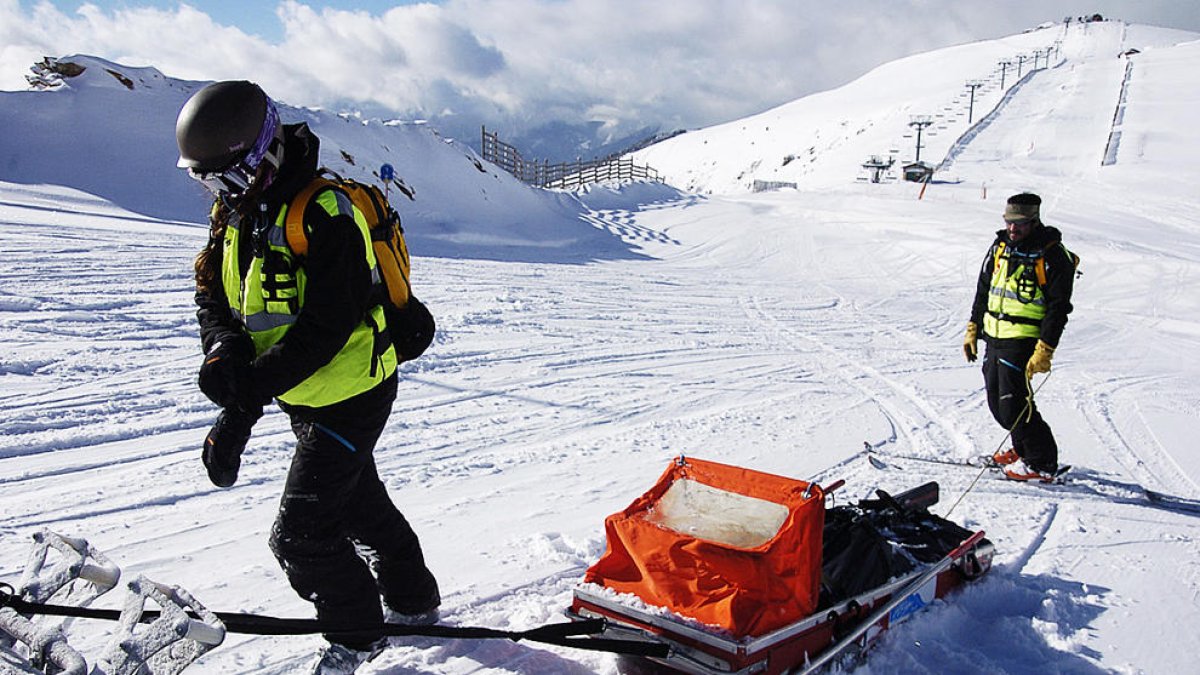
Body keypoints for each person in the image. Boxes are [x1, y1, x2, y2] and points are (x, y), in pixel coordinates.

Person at [176, 80, 440, 673]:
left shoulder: (324, 214)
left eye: (230, 177)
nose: (222, 193)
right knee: (355, 501)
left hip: (353, 393)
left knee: (301, 535)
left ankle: (357, 636)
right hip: (302, 393)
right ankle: (414, 600)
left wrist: (246, 397)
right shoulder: (237, 213)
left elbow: (327, 327)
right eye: (209, 182)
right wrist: (223, 357)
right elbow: (215, 300)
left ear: (265, 152)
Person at [962, 193, 1076, 482]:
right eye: (1009, 223)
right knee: (997, 404)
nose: (1013, 229)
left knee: (1014, 404)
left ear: (1035, 221)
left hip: (1024, 339)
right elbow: (984, 289)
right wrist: (973, 328)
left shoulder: (1052, 255)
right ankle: (1022, 448)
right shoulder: (1000, 247)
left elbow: (1058, 307)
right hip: (995, 335)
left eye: (1020, 224)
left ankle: (1041, 462)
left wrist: (1045, 348)